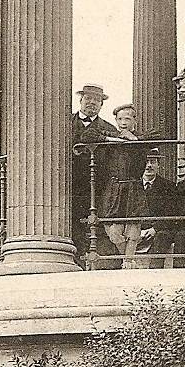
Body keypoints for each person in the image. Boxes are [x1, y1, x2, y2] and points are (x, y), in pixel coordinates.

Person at [71, 84, 119, 260]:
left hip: (98, 185)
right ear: (81, 100)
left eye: (96, 100)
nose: (92, 102)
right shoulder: (65, 123)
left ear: (101, 105)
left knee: (94, 225)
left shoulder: (109, 129)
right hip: (70, 184)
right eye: (88, 98)